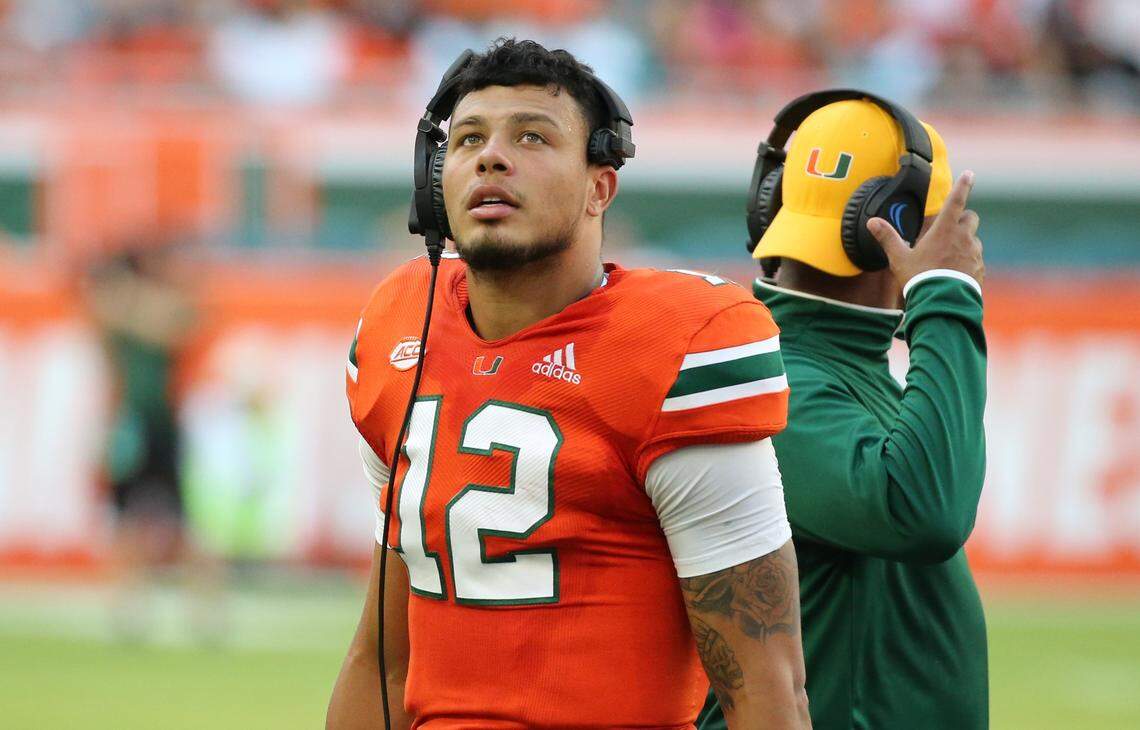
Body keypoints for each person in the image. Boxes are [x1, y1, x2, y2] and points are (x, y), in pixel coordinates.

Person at [328, 38, 811, 729]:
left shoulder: (677, 344)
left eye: (533, 136)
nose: (492, 156)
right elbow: (382, 660)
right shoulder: (399, 328)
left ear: (599, 186)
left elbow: (765, 686)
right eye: (468, 139)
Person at [699, 95, 988, 728]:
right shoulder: (777, 381)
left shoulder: (823, 366)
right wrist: (945, 294)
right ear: (902, 225)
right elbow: (924, 514)